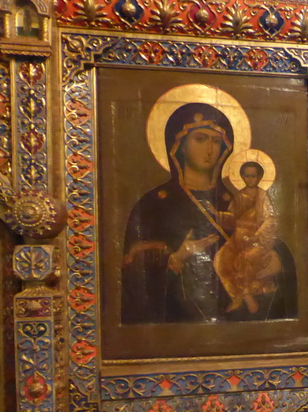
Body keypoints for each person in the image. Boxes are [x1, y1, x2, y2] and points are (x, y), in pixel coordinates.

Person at [121, 100, 296, 324]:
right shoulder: (152, 205)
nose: (210, 149)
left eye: (216, 141)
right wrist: (176, 258)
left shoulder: (235, 200)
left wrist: (279, 261)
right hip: (180, 331)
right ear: (179, 144)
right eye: (200, 139)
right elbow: (134, 280)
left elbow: (262, 236)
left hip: (239, 330)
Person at [214, 161, 284, 315]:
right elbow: (232, 218)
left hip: (255, 238)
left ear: (259, 177)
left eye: (253, 176)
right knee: (221, 258)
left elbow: (270, 218)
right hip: (238, 238)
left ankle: (247, 297)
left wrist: (257, 236)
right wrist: (217, 215)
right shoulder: (239, 196)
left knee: (245, 258)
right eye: (247, 176)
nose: (250, 179)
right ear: (242, 177)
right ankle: (238, 297)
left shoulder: (262, 196)